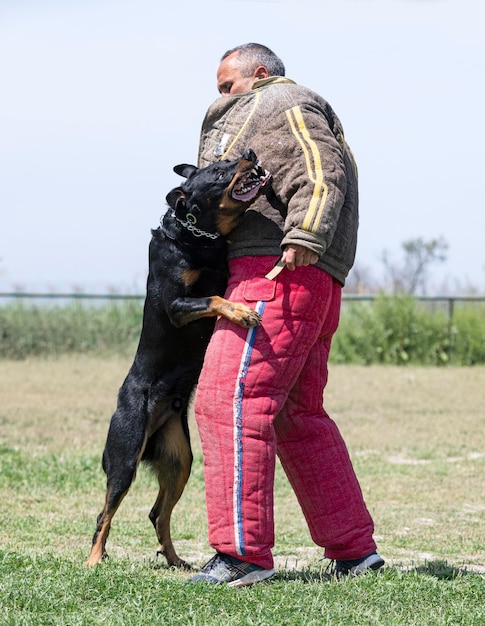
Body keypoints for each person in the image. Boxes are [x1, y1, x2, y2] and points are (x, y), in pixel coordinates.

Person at [186, 43, 384, 587]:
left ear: (260, 73)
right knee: (298, 413)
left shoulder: (286, 101)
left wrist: (305, 233)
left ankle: (242, 555)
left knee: (229, 399)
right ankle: (353, 551)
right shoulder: (280, 105)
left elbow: (322, 167)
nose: (221, 96)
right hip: (306, 277)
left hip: (276, 269)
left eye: (228, 85)